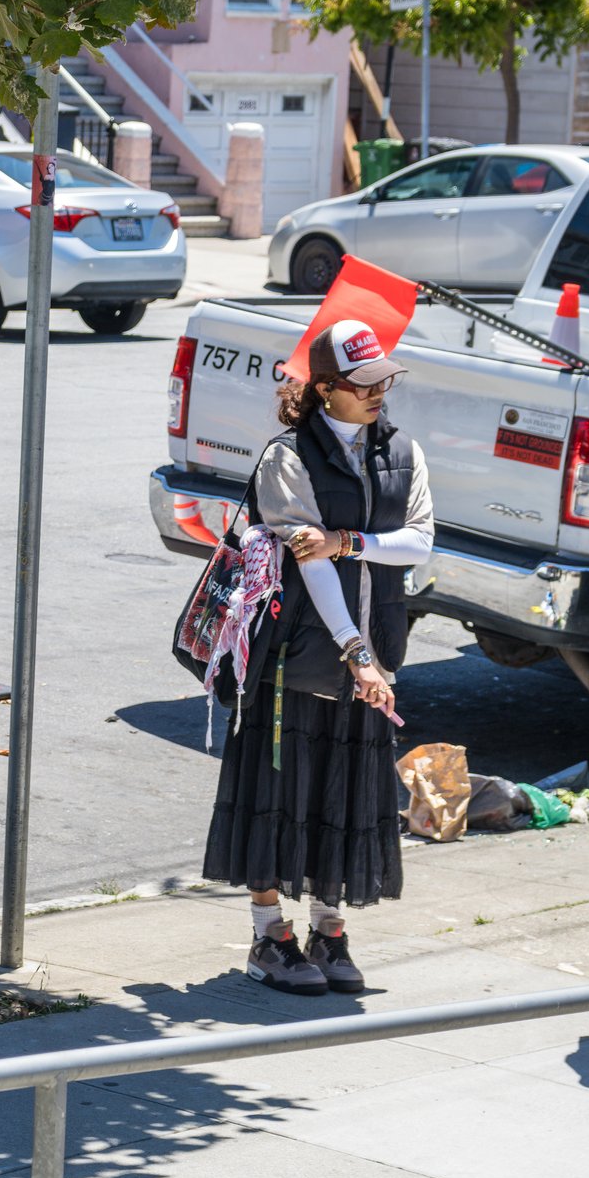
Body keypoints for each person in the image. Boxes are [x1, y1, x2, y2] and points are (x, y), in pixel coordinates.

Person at [202, 318, 436, 996]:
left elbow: (419, 541)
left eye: (385, 380)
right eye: (364, 384)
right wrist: (354, 649)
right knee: (279, 794)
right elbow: (311, 565)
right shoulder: (287, 456)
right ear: (327, 389)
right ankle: (269, 933)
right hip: (298, 653)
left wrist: (350, 542)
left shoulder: (402, 451)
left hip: (374, 653)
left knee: (345, 791)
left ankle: (328, 928)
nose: (379, 393)